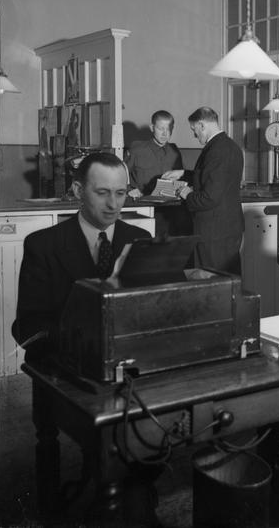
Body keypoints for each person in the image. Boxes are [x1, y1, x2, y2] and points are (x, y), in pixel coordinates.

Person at [12, 152, 151, 363]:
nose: (113, 204)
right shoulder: (42, 245)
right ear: (78, 191)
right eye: (102, 193)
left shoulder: (140, 239)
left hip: (126, 364)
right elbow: (27, 329)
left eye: (121, 193)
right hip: (64, 369)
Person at [163, 106, 244, 275]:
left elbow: (209, 197)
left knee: (213, 282)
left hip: (214, 232)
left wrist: (186, 193)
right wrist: (184, 174)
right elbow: (213, 177)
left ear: (201, 125)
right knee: (227, 282)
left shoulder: (216, 150)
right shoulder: (228, 146)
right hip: (226, 228)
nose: (194, 135)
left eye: (194, 130)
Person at [125, 110, 183, 198]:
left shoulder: (174, 151)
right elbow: (119, 175)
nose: (165, 133)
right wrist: (129, 190)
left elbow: (181, 179)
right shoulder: (137, 149)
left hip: (170, 204)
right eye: (160, 129)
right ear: (152, 128)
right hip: (143, 204)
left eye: (168, 129)